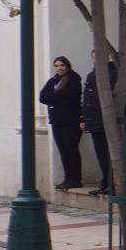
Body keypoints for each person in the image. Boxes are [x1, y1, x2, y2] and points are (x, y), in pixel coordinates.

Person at [81, 48, 121, 196]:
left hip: (106, 121)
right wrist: (84, 118)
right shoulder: (92, 75)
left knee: (110, 154)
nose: (96, 60)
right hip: (94, 121)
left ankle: (112, 183)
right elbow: (87, 99)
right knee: (101, 154)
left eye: (99, 57)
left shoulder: (112, 74)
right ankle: (104, 182)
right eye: (94, 57)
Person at [39, 56, 83, 191]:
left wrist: (53, 97)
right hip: (56, 120)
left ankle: (75, 179)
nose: (59, 68)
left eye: (62, 65)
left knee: (71, 149)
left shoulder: (74, 79)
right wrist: (55, 97)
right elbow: (42, 96)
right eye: (57, 65)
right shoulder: (53, 80)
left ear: (67, 65)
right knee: (63, 150)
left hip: (71, 120)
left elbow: (69, 98)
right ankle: (67, 177)